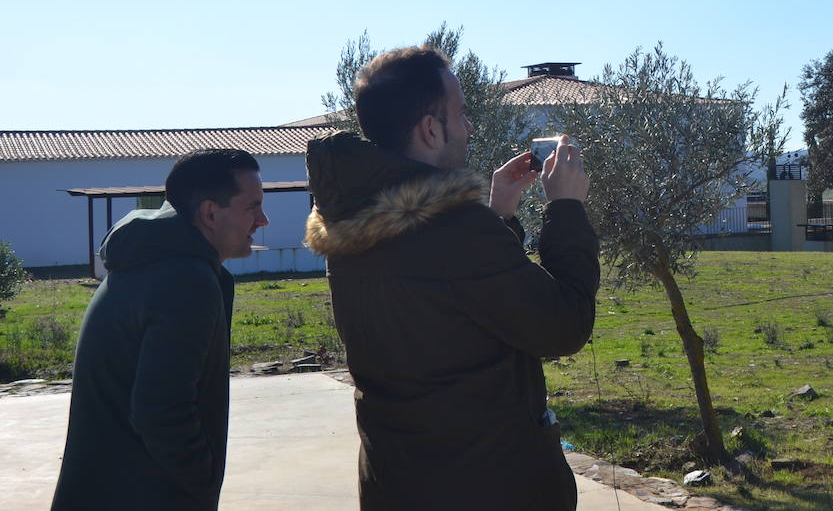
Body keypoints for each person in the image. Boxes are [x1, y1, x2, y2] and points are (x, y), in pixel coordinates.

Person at [304, 45, 600, 511]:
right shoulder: (455, 230)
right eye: (460, 114)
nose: (469, 127)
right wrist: (566, 209)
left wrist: (498, 214)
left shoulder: (351, 218)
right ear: (429, 129)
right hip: (486, 484)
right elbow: (564, 325)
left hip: (398, 479)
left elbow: (446, 307)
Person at [51, 148, 269, 511]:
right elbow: (162, 412)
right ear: (210, 213)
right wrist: (202, 483)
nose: (263, 220)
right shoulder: (185, 281)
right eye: (252, 207)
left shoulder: (151, 262)